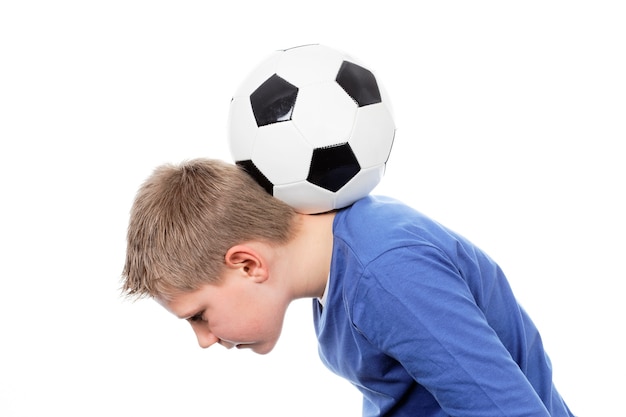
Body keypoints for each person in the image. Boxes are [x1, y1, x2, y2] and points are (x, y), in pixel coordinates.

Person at [121, 158, 575, 417]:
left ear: (247, 264)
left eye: (198, 314)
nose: (203, 339)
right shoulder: (337, 270)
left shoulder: (386, 271)